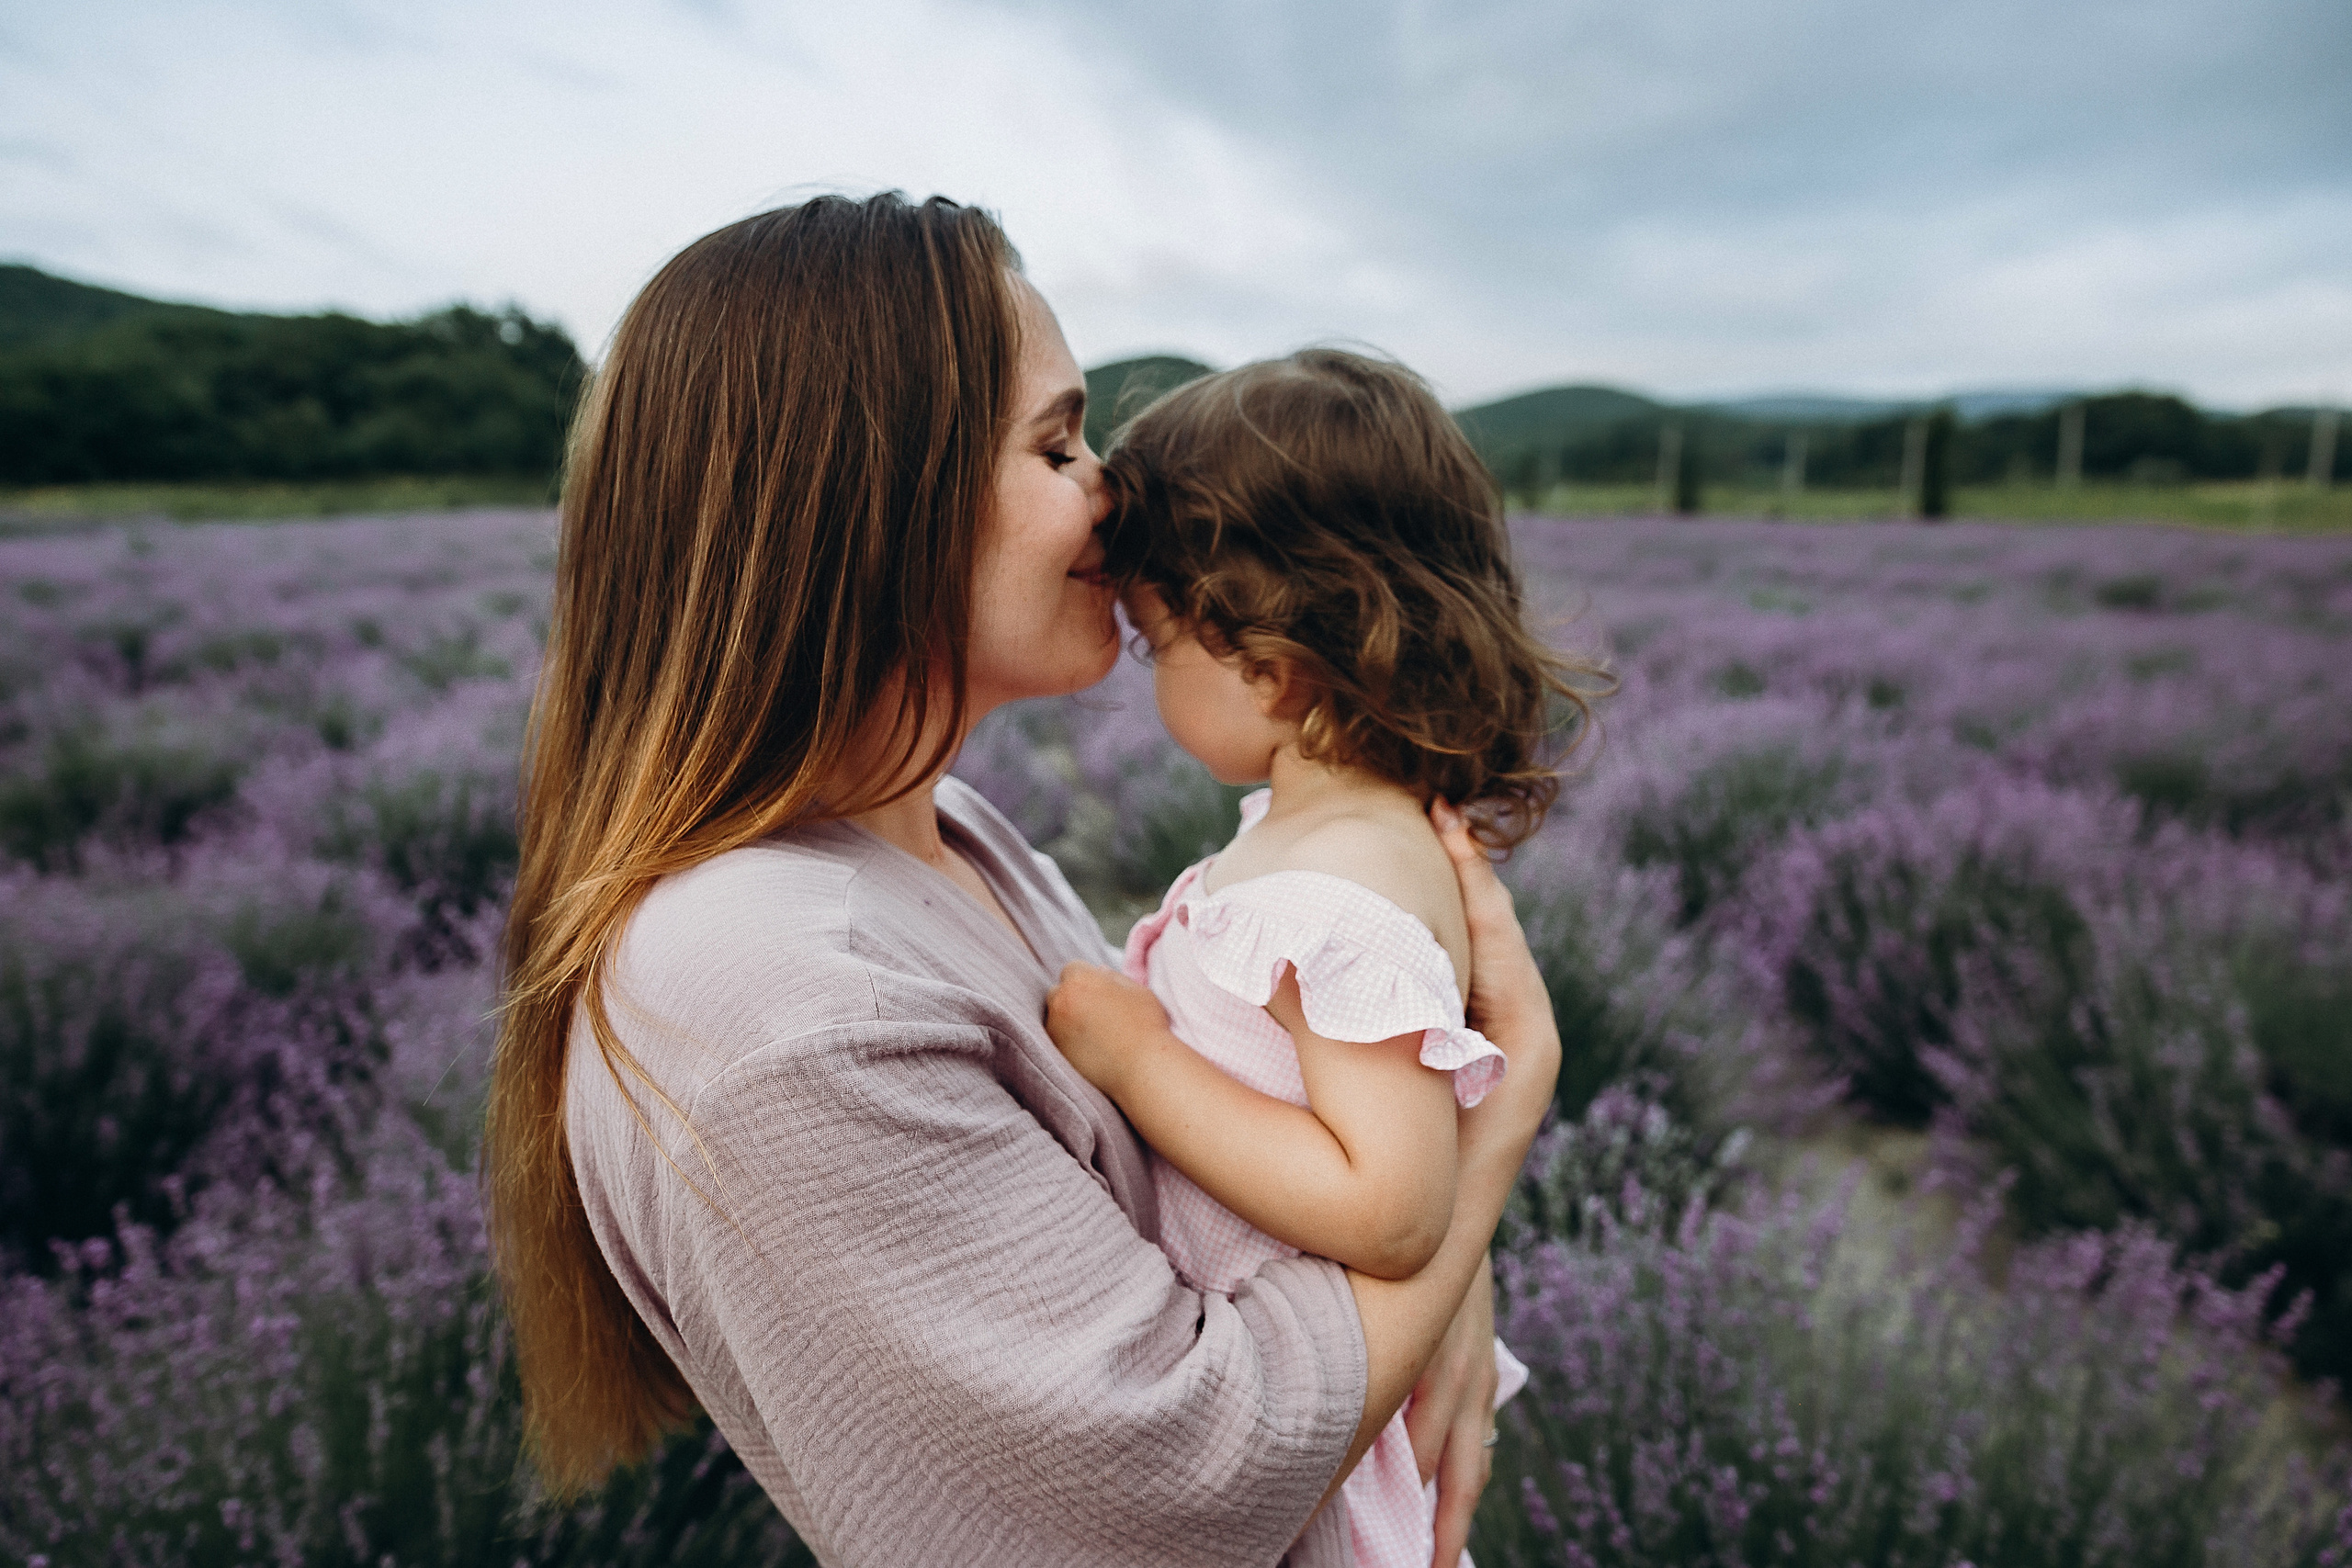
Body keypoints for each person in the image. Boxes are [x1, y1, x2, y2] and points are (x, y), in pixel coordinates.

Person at [482, 193, 1561, 1568]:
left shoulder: (950, 836)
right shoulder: (760, 985)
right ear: (870, 508)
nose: (1112, 495)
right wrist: (1494, 1128)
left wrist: (1424, 1267)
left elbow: (1205, 1170)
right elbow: (1186, 1472)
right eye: (1058, 444)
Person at [1046, 350, 1600, 1567]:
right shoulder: (1324, 839)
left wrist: (1142, 1065)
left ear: (1273, 655)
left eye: (1156, 642)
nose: (1146, 678)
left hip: (1309, 1497)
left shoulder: (1337, 895)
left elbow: (1392, 1209)